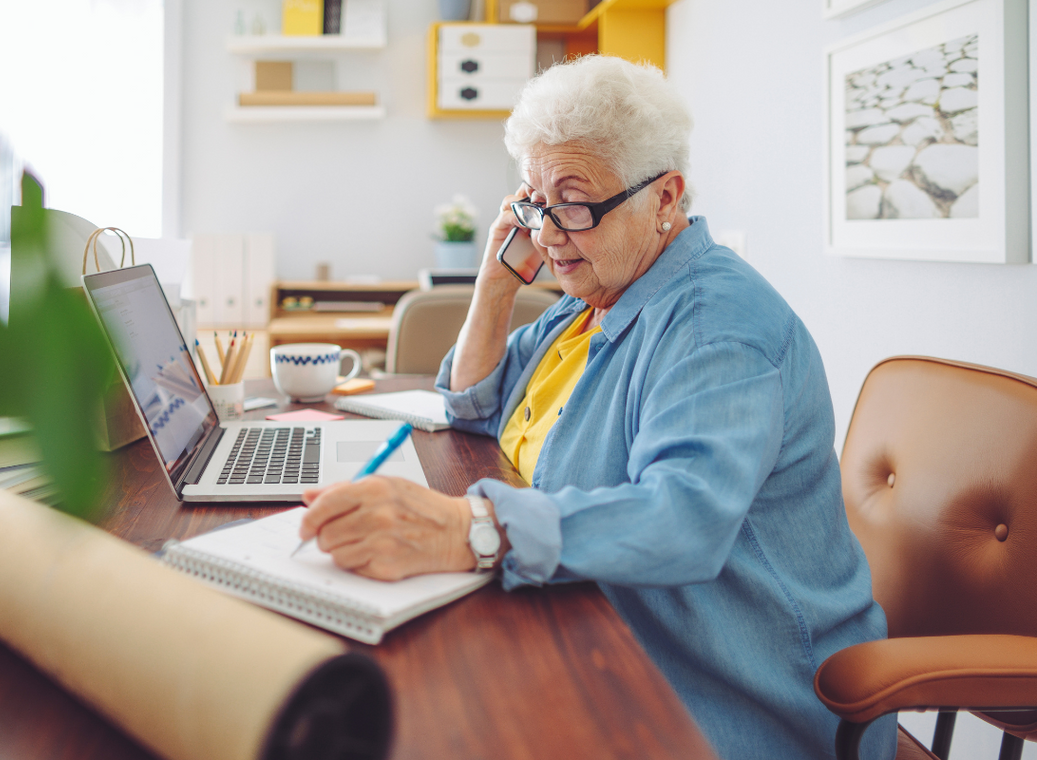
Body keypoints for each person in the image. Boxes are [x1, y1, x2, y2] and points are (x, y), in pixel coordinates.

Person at [299, 55, 895, 759]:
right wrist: (494, 283)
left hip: (721, 688)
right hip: (591, 626)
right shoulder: (590, 302)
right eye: (534, 202)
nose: (548, 234)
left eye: (574, 203)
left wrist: (473, 530)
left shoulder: (716, 327)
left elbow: (684, 518)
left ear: (665, 198)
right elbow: (470, 400)